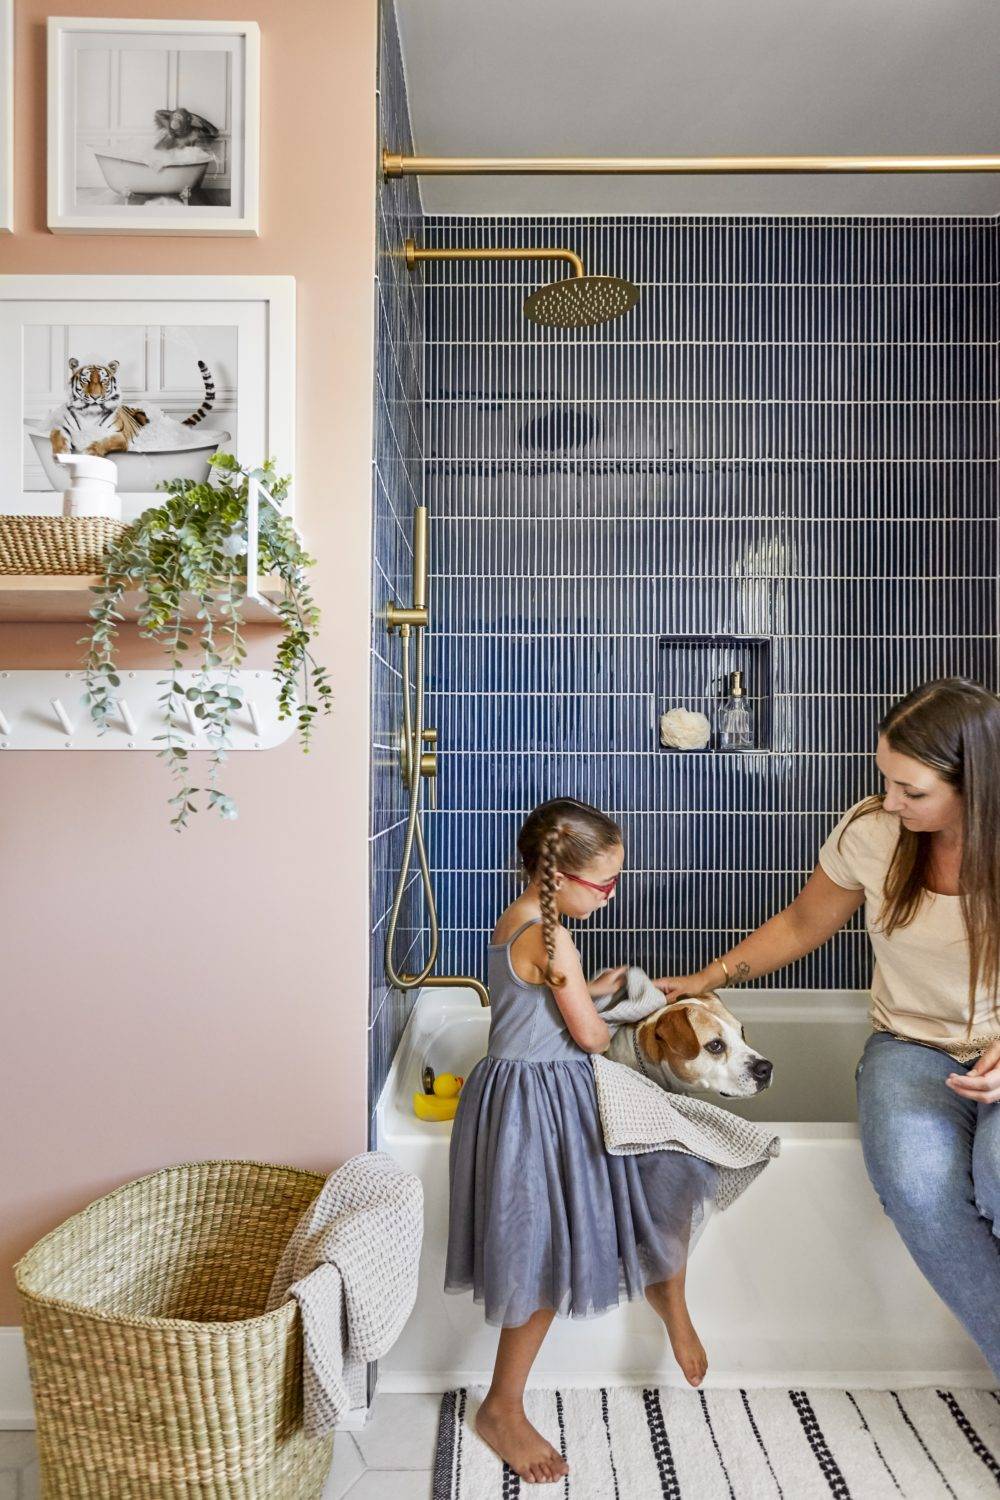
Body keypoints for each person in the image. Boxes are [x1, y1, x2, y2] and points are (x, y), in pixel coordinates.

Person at [657, 678, 1000, 1379]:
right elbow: (803, 923)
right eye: (887, 781)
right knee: (915, 1184)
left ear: (977, 782)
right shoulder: (875, 831)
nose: (891, 802)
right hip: (911, 1047)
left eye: (913, 791)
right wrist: (710, 978)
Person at [446, 796, 717, 1484]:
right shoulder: (553, 937)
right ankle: (502, 1406)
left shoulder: (522, 922)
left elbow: (543, 1002)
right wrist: (621, 1005)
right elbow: (591, 1037)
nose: (611, 893)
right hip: (541, 1106)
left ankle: (666, 1295)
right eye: (603, 883)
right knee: (543, 1248)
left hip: (515, 1095)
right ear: (558, 874)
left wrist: (594, 987)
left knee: (630, 1188)